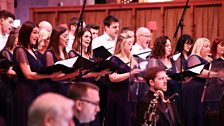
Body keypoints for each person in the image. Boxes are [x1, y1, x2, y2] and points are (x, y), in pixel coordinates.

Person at [13, 21, 60, 126]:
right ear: (26, 33)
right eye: (34, 33)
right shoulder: (20, 50)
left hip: (35, 90)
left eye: (37, 33)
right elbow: (28, 75)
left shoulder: (34, 51)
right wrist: (50, 75)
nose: (37, 36)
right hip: (25, 91)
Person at [105, 33, 141, 126]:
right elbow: (112, 77)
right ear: (122, 44)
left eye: (132, 43)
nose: (131, 46)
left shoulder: (132, 59)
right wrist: (129, 74)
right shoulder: (114, 59)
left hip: (130, 94)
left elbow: (135, 77)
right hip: (118, 94)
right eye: (129, 43)